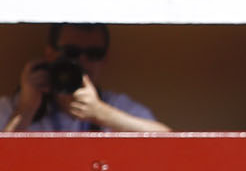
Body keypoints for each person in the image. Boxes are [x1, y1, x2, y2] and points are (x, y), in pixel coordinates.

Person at [2, 22, 170, 132]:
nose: (82, 61)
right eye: (71, 52)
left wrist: (101, 114)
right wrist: (26, 110)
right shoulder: (13, 106)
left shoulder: (113, 105)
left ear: (104, 59)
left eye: (93, 54)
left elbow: (169, 141)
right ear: (50, 53)